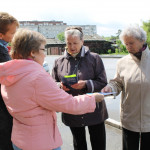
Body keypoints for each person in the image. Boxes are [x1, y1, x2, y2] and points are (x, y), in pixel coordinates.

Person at [0, 28, 104, 150]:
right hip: (40, 142)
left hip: (20, 139)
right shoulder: (37, 77)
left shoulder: (10, 73)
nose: (45, 54)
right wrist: (92, 98)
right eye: (43, 50)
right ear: (33, 52)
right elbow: (68, 103)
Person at [52, 26, 108, 150]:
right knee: (79, 144)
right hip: (72, 110)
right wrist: (60, 86)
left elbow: (102, 82)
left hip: (95, 109)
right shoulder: (58, 61)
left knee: (98, 143)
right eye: (68, 43)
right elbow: (52, 84)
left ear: (82, 42)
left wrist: (86, 84)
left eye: (75, 43)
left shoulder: (94, 58)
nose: (72, 47)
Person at [101, 24, 150, 150]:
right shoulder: (122, 62)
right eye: (126, 44)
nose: (128, 47)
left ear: (142, 40)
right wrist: (110, 88)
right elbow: (117, 83)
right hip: (130, 119)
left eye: (131, 43)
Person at [0, 12, 19, 150]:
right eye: (12, 33)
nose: (14, 36)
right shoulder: (1, 52)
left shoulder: (3, 48)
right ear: (1, 35)